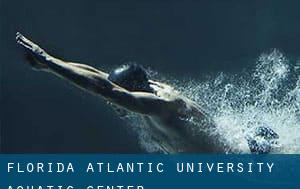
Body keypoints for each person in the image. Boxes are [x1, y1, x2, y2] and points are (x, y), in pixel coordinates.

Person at [15, 32, 277, 153]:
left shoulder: (161, 106)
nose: (111, 103)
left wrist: (48, 61)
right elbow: (99, 78)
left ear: (132, 92)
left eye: (115, 98)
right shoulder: (146, 91)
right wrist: (51, 65)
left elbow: (105, 89)